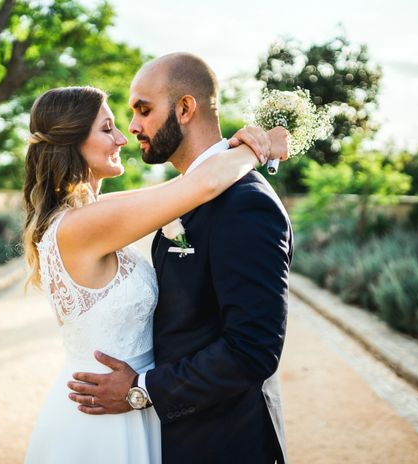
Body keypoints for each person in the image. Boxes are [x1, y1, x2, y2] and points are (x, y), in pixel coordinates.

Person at [22, 83, 288, 463]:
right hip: (106, 422)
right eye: (107, 128)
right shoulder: (85, 223)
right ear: (72, 141)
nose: (121, 138)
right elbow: (204, 184)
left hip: (128, 407)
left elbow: (190, 185)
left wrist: (231, 149)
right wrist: (257, 148)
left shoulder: (93, 212)